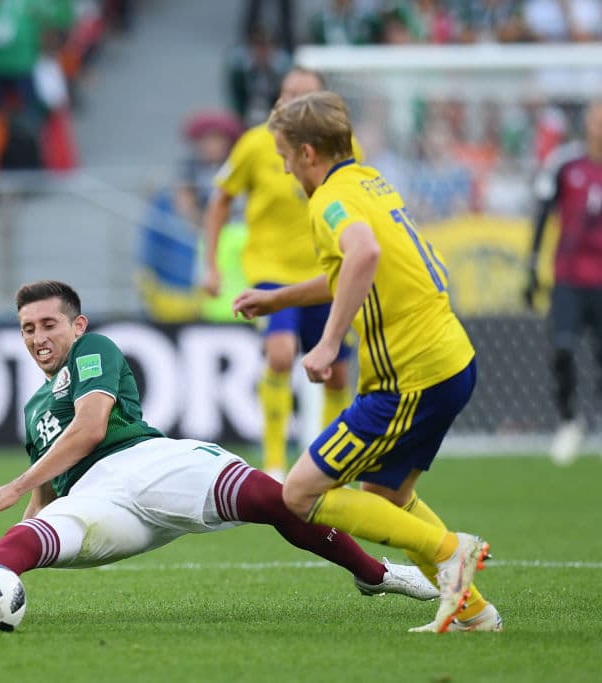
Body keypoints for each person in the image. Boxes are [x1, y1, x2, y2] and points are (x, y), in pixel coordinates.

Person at [0, 280, 439, 625]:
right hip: (101, 503)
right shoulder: (32, 412)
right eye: (27, 329)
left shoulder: (94, 348)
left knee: (277, 499)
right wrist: (26, 522)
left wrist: (14, 486)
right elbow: (50, 488)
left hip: (152, 463)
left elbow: (92, 428)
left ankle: (377, 575)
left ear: (77, 326)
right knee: (36, 538)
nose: (38, 337)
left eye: (49, 324)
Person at [232, 91, 500, 633]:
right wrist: (279, 298)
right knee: (386, 496)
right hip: (448, 361)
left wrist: (329, 343)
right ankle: (474, 613)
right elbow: (354, 266)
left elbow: (364, 254)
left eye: (284, 155)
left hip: (408, 377)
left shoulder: (329, 200)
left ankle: (452, 550)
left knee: (300, 494)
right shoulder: (368, 180)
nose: (282, 167)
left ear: (308, 152)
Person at [202, 68, 355, 482]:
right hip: (271, 272)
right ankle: (272, 462)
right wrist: (211, 264)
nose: (292, 102)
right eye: (288, 94)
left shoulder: (343, 146)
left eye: (303, 95)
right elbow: (220, 202)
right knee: (282, 353)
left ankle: (327, 461)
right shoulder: (254, 144)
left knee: (336, 373)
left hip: (325, 274)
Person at [525, 100, 602, 465]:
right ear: (586, 123)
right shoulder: (566, 163)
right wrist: (531, 265)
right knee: (563, 348)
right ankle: (569, 422)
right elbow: (542, 213)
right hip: (570, 278)